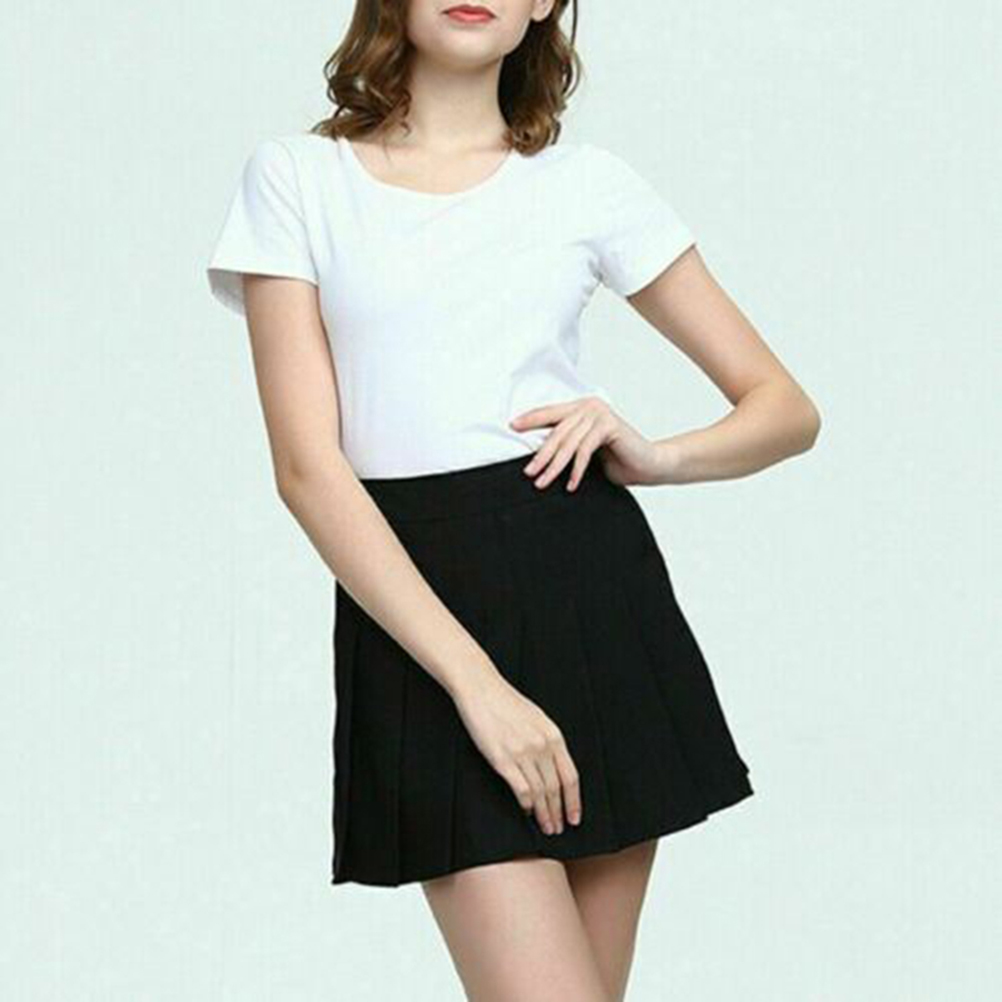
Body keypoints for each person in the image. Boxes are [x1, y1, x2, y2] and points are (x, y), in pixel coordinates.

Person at [205, 1, 821, 998]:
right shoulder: (298, 179)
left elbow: (785, 409)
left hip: (590, 594)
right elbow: (308, 470)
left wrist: (654, 457)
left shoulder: (587, 186)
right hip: (419, 616)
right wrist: (477, 688)